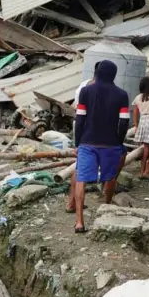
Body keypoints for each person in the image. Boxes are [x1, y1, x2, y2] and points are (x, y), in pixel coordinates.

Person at [73, 60, 130, 233]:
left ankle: (79, 222)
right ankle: (106, 207)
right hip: (111, 142)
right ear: (114, 74)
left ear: (97, 73)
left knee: (81, 179)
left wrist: (78, 142)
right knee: (110, 177)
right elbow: (124, 122)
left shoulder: (86, 91)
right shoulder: (122, 94)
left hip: (88, 141)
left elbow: (80, 119)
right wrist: (119, 141)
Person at [67, 62, 100, 213]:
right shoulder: (96, 88)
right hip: (89, 128)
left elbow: (75, 106)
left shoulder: (83, 84)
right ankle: (73, 205)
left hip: (80, 126)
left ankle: (72, 202)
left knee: (80, 165)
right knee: (82, 168)